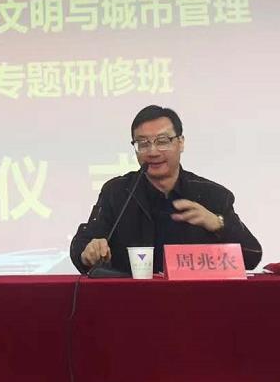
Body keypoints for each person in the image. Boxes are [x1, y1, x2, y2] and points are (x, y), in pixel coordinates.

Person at [70, 105, 262, 275]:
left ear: (181, 142)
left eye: (162, 141)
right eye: (143, 144)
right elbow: (82, 243)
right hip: (131, 299)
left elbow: (252, 255)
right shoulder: (117, 192)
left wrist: (218, 224)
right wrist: (88, 252)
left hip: (194, 300)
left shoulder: (212, 195)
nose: (152, 152)